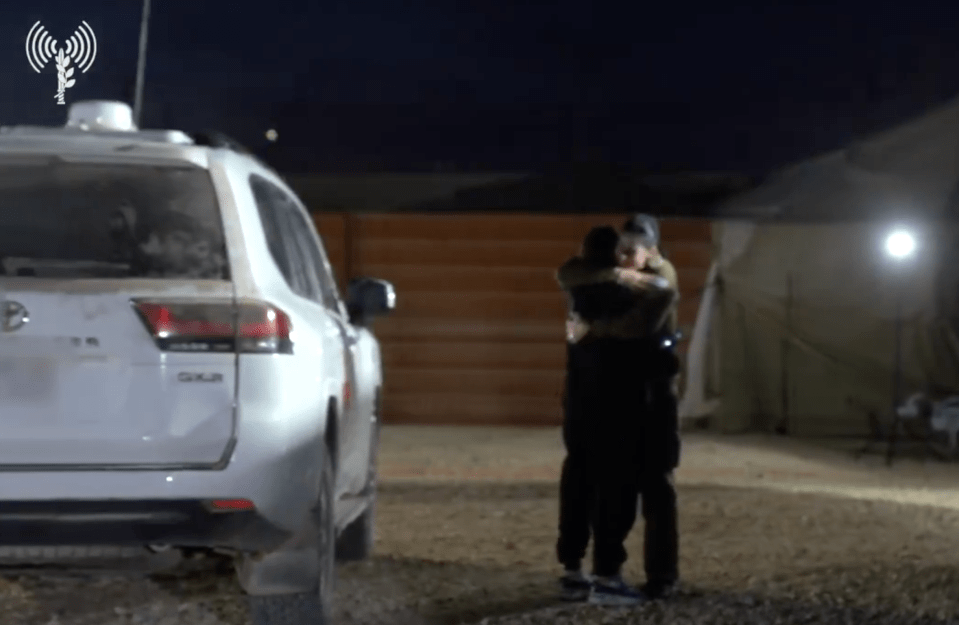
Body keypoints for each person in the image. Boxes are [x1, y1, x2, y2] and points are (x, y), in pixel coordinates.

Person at [555, 225, 678, 606]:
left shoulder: (579, 289)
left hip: (580, 405)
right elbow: (647, 311)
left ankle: (574, 570)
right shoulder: (639, 290)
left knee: (578, 481)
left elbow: (567, 272)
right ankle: (609, 574)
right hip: (624, 405)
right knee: (617, 490)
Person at [615, 213, 682, 601]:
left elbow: (655, 299)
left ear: (652, 249)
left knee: (656, 487)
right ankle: (614, 570)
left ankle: (662, 574)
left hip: (655, 395)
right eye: (623, 248)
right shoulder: (620, 278)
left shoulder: (662, 277)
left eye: (634, 248)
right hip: (624, 393)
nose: (627, 255)